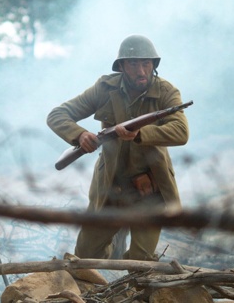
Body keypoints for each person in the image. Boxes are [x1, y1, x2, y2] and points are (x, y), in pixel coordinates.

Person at [46, 34, 190, 261]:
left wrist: (140, 133)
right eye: (133, 64)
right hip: (110, 186)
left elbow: (181, 132)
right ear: (121, 66)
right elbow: (57, 115)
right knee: (86, 256)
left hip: (149, 188)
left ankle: (125, 287)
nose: (141, 71)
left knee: (140, 260)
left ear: (154, 64)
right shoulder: (105, 88)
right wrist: (80, 135)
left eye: (146, 63)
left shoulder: (166, 92)